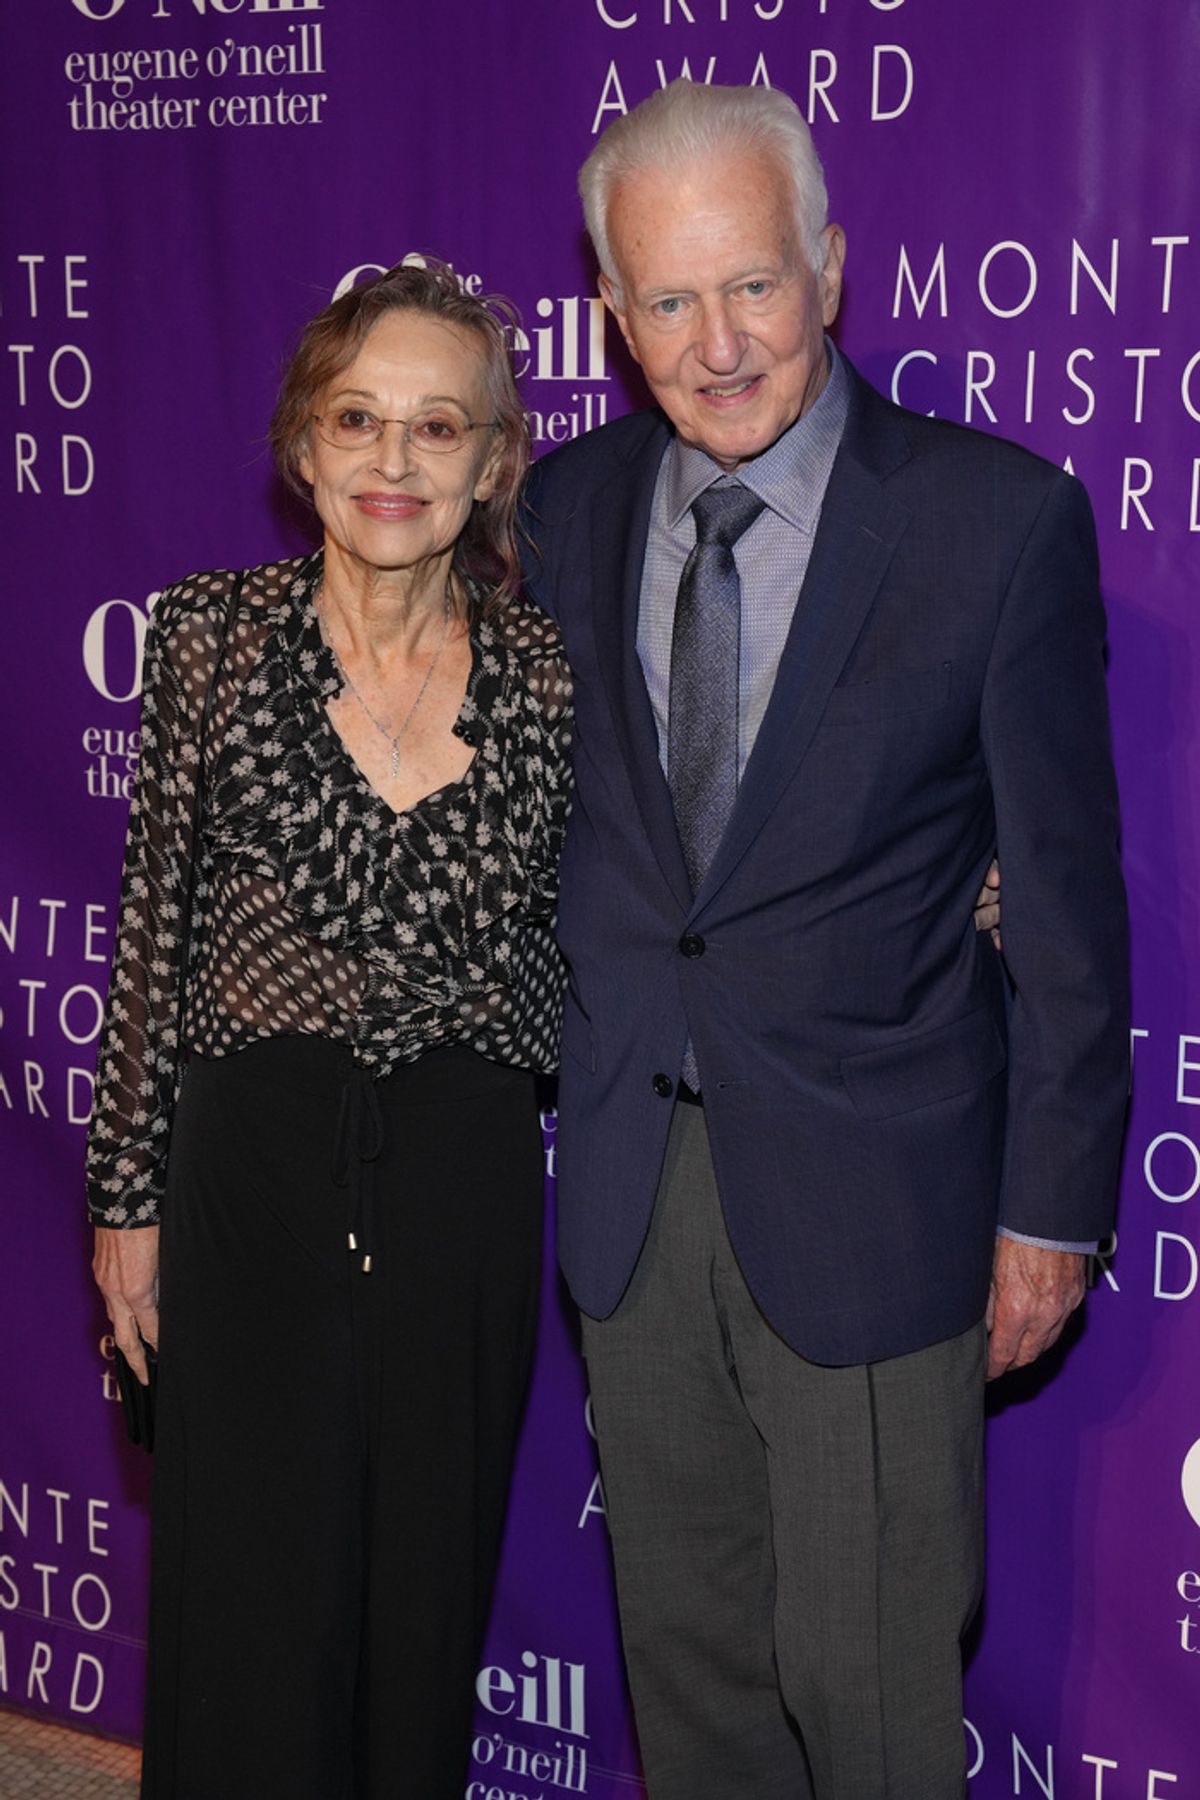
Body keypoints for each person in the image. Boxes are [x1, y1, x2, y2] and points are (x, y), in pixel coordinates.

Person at [521, 81, 1129, 1798]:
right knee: (693, 1681)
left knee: (869, 1700)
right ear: (612, 311)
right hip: (635, 1198)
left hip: (880, 1200)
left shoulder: (994, 524)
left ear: (831, 269)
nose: (716, 346)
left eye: (753, 285)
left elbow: (1067, 906)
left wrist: (1049, 1212)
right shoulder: (558, 515)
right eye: (667, 299)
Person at [88, 259, 572, 1800]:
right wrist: (125, 1200)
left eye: (440, 427)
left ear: (493, 462)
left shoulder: (547, 674)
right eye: (359, 419)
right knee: (247, 1598)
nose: (393, 461)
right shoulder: (211, 638)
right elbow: (152, 926)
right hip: (252, 1180)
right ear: (304, 442)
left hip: (462, 1182)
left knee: (424, 1594)